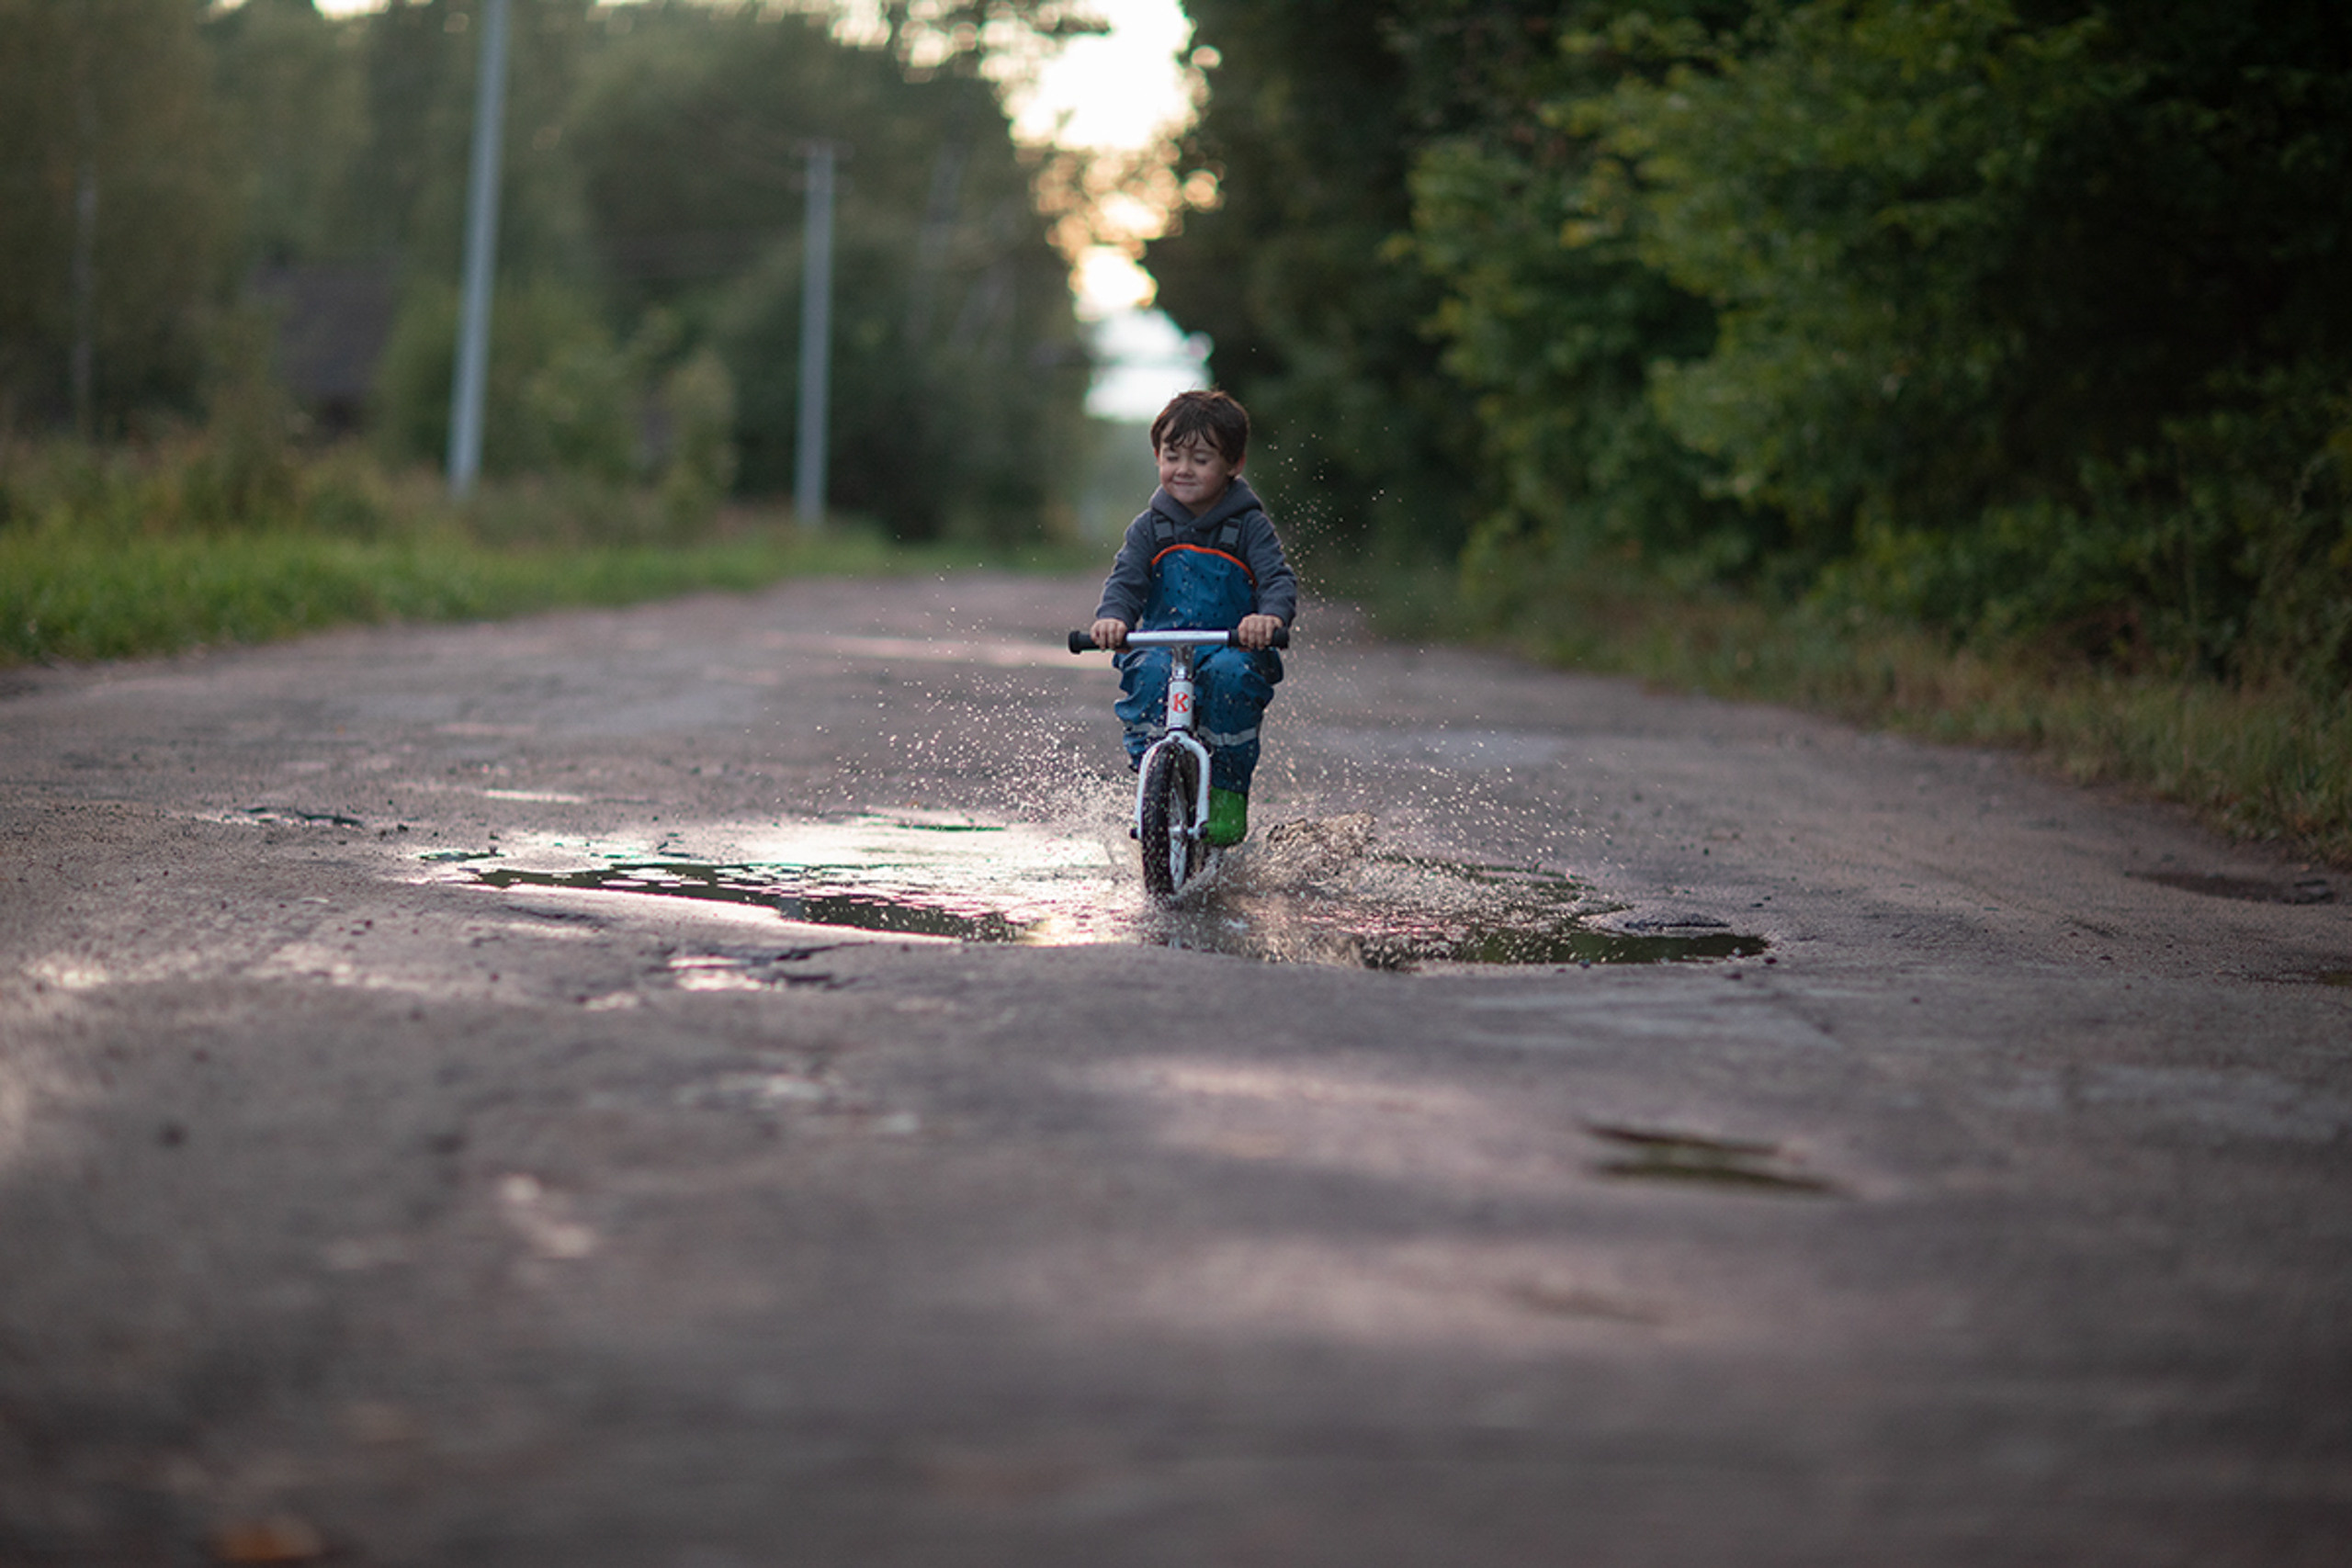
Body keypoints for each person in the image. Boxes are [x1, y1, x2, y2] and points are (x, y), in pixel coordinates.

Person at [1089, 389, 1297, 848]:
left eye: (1201, 459)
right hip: (1163, 645)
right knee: (1147, 677)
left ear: (1233, 464)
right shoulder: (1149, 527)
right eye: (1172, 456)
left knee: (1230, 681)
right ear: (1157, 457)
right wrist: (1113, 620)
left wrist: (1267, 619)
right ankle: (1152, 778)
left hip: (1231, 647)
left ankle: (1225, 790)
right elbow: (1125, 582)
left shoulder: (1248, 527)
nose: (1183, 469)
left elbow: (1278, 581)